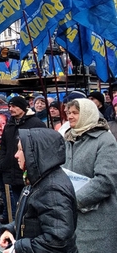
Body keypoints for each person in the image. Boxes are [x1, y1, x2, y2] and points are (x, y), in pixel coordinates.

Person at [0, 128, 78, 253]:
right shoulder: (40, 178)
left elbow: (57, 240)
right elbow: (32, 218)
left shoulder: (52, 190)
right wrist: (11, 229)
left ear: (34, 153)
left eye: (20, 150)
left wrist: (18, 248)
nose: (16, 155)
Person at [63, 98, 117, 252]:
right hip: (72, 219)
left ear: (87, 114)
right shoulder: (68, 139)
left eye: (75, 113)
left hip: (98, 219)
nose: (70, 116)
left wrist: (73, 199)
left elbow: (105, 180)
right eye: (69, 113)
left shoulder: (105, 140)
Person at [0, 96, 45, 221]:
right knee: (16, 206)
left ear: (23, 107)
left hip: (28, 173)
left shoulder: (36, 123)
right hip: (11, 171)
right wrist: (3, 161)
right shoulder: (10, 124)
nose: (11, 109)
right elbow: (3, 145)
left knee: (29, 206)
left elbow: (42, 147)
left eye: (14, 106)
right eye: (9, 106)